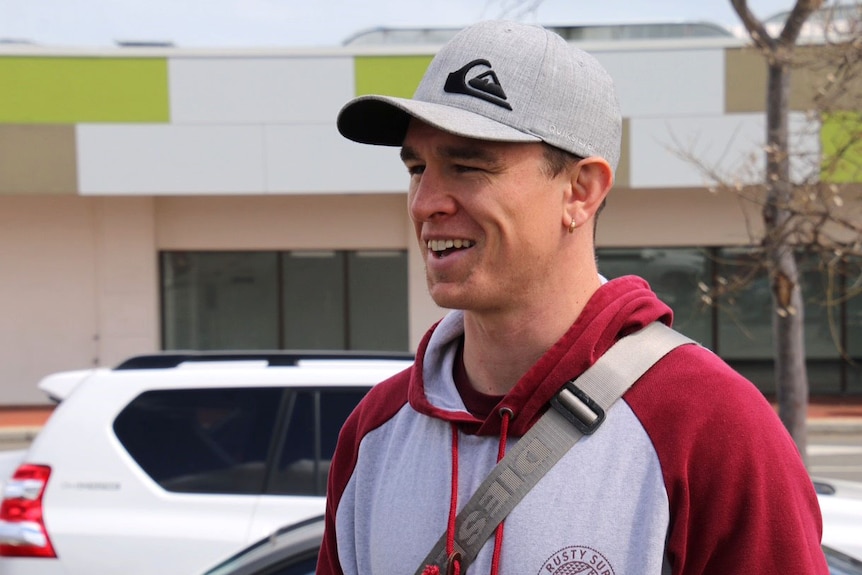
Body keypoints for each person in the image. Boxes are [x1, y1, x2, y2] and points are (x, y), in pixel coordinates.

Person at [317, 19, 828, 575]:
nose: (425, 203)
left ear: (580, 192)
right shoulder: (374, 433)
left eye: (467, 166)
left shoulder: (711, 427)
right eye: (417, 168)